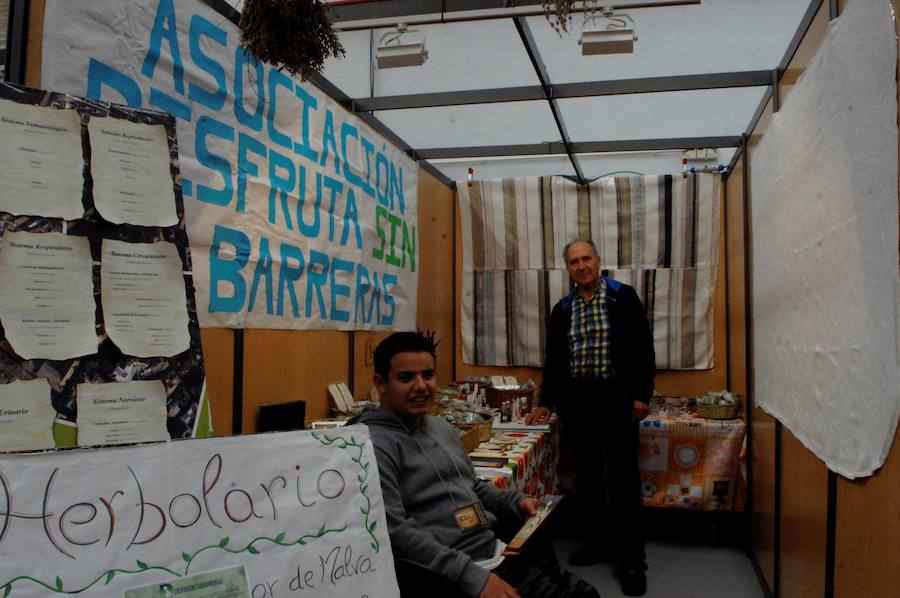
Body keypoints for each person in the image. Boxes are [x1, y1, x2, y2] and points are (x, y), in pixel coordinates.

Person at [352, 331, 600, 598]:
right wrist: (471, 577)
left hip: (490, 550)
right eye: (406, 377)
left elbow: (472, 487)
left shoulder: (440, 427)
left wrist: (515, 500)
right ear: (381, 383)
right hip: (445, 574)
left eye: (428, 375)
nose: (421, 386)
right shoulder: (372, 446)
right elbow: (396, 532)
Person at [526, 239, 655, 597]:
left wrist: (642, 394)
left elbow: (644, 348)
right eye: (573, 261)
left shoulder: (622, 296)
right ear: (567, 268)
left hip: (617, 401)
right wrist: (547, 402)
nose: (581, 266)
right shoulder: (562, 308)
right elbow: (554, 361)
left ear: (598, 261)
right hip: (578, 405)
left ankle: (632, 561)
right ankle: (599, 543)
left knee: (624, 482)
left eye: (586, 259)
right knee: (589, 480)